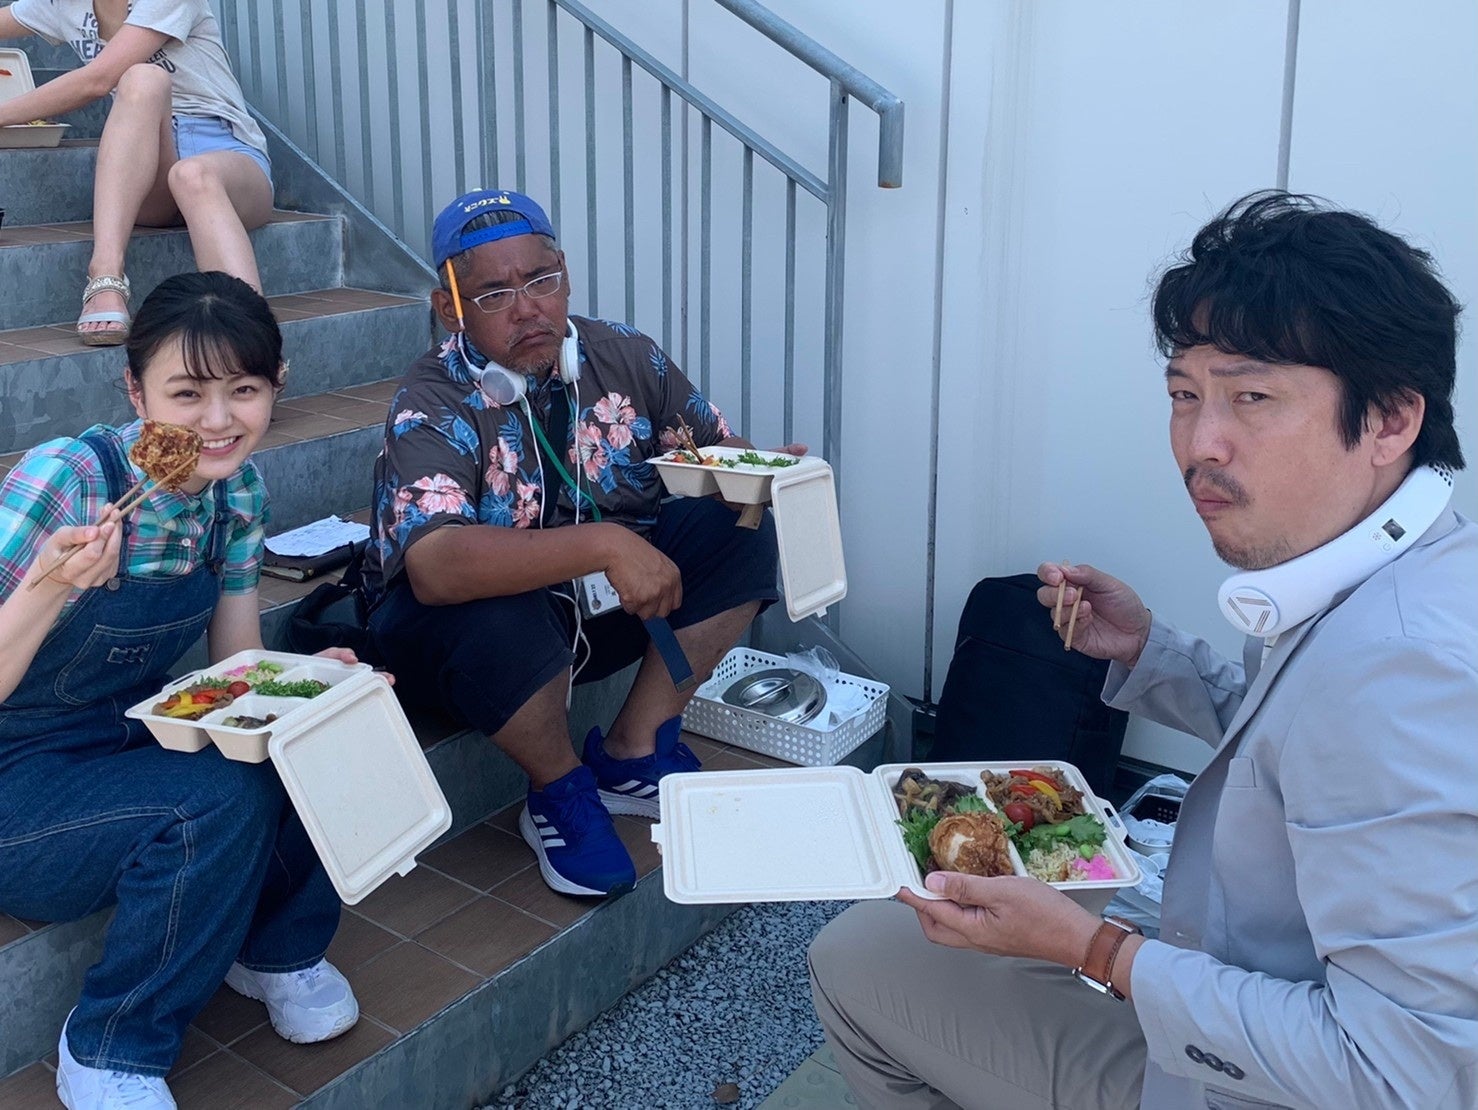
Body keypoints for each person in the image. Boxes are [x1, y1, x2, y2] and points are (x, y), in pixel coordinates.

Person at [808, 192, 1477, 1109]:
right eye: (1183, 395)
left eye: (1251, 397)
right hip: (1245, 982)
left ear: (1391, 420)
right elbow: (1302, 742)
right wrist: (1150, 653)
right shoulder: (1412, 567)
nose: (1200, 444)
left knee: (857, 959)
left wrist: (1098, 951)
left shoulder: (1401, 672)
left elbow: (1410, 1075)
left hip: (1269, 1081)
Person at [362, 189, 799, 898]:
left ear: (564, 273)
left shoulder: (624, 354)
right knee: (491, 607)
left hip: (600, 615)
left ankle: (633, 751)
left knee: (737, 525)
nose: (527, 309)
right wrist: (603, 544)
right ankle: (559, 789)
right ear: (450, 309)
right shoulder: (430, 398)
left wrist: (756, 473)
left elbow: (715, 447)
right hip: (472, 641)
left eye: (541, 280)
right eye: (495, 294)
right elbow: (437, 568)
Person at [0, 272, 359, 1110]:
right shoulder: (67, 480)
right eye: (187, 393)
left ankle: (272, 952)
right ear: (136, 392)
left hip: (120, 733)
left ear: (278, 386)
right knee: (213, 801)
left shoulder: (237, 492)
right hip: (18, 777)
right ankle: (108, 1046)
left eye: (244, 390)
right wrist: (49, 585)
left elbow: (234, 663)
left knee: (310, 732)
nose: (217, 420)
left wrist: (307, 688)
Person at [0, 0, 273, 346]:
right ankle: (106, 276)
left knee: (191, 173)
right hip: (151, 161)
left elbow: (98, 80)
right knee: (143, 80)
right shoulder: (62, 5)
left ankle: (256, 341)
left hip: (226, 155)